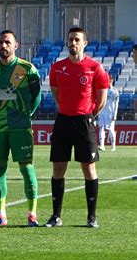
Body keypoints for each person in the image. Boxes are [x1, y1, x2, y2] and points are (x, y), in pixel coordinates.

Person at [46, 27, 108, 228]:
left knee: (88, 169)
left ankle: (92, 217)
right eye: (70, 40)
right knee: (58, 168)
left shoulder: (95, 68)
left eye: (77, 40)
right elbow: (56, 94)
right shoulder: (57, 68)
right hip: (63, 121)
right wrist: (67, 109)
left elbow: (101, 100)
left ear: (84, 43)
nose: (73, 43)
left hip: (84, 123)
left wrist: (88, 116)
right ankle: (56, 216)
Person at [0, 30, 42, 227]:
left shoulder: (27, 69)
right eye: (0, 42)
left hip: (20, 129)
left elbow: (37, 96)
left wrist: (26, 115)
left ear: (16, 45)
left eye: (7, 42)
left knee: (26, 168)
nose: (3, 46)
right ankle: (0, 215)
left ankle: (32, 215)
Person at [98, 75, 119, 151]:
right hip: (102, 112)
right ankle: (102, 146)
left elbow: (116, 104)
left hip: (110, 113)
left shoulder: (115, 91)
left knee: (111, 129)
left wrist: (115, 114)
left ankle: (113, 146)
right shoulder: (104, 90)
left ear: (112, 81)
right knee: (101, 128)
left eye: (109, 80)